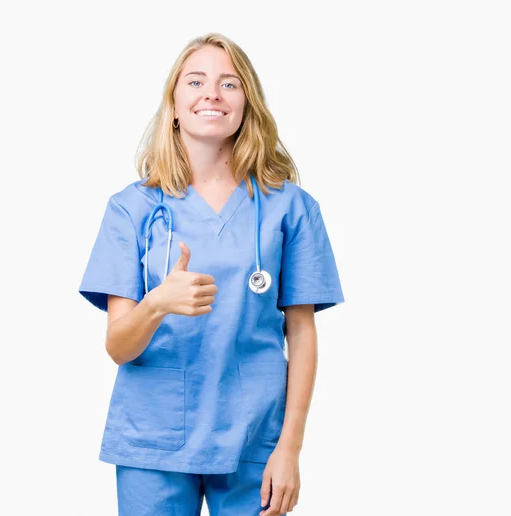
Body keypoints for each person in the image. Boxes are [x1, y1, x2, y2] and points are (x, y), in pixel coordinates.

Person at [78, 32, 344, 516]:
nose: (212, 94)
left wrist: (290, 449)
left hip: (255, 436)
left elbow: (301, 333)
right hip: (153, 439)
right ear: (174, 105)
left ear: (248, 104)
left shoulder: (291, 208)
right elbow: (118, 346)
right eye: (195, 81)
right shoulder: (131, 209)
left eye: (230, 84)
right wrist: (157, 302)